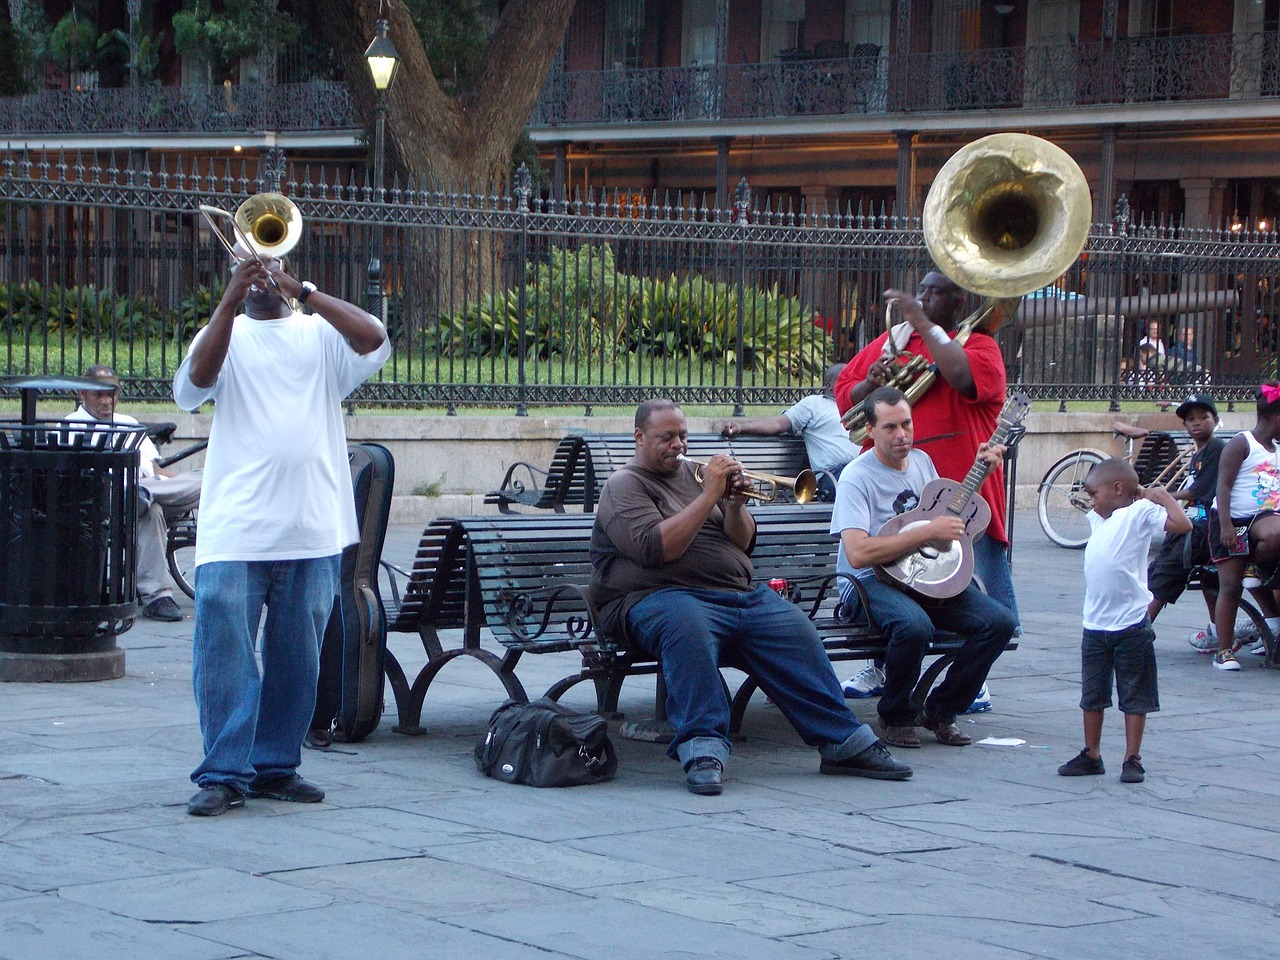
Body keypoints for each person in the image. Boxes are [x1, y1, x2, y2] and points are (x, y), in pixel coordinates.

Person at [588, 397, 912, 796]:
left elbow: (741, 545)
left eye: (683, 436)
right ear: (639, 437)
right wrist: (709, 496)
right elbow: (655, 550)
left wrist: (735, 505)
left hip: (733, 592)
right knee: (685, 625)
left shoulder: (694, 475)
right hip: (653, 597)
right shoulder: (625, 485)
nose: (679, 445)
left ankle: (843, 741)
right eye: (666, 437)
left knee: (794, 628)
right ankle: (702, 747)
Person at [174, 249, 389, 816]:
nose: (263, 273)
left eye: (274, 262)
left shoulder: (319, 334)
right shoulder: (224, 332)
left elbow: (373, 338)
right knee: (225, 653)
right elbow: (195, 384)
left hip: (311, 525)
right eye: (252, 265)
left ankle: (275, 765)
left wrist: (304, 290)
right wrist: (229, 299)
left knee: (299, 656)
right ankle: (223, 772)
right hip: (237, 528)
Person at [834, 270, 1017, 707]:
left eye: (935, 293)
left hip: (958, 489)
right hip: (885, 490)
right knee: (902, 591)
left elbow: (964, 379)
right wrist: (870, 384)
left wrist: (922, 322)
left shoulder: (979, 344)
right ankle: (882, 669)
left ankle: (972, 681)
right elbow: (845, 396)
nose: (922, 298)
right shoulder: (892, 343)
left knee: (971, 588)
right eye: (919, 291)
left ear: (957, 302)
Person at [830, 386, 1016, 749]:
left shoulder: (923, 462)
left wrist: (979, 472)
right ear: (869, 431)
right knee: (914, 626)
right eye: (889, 428)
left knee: (1000, 622)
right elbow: (857, 554)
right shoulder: (856, 476)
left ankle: (941, 709)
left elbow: (938, 524)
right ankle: (895, 715)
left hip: (922, 577)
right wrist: (929, 532)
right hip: (867, 581)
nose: (901, 435)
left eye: (906, 424)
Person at [1058, 457, 1190, 783]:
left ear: (1117, 489)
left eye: (1095, 493)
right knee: (1092, 694)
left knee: (1134, 694)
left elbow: (1182, 524)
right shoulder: (1099, 519)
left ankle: (1132, 757)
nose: (1091, 500)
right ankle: (1091, 753)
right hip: (1095, 624)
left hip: (1131, 623)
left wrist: (1159, 496)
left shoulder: (1139, 513)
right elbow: (1096, 504)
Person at [64, 365, 202, 622]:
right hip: (107, 499)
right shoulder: (72, 426)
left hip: (148, 490)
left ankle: (145, 493)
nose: (107, 401)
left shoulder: (129, 424)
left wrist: (186, 482)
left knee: (205, 479)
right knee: (150, 511)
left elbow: (154, 468)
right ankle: (158, 597)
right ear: (83, 394)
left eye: (112, 395)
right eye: (100, 395)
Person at [1207, 383, 1280, 671]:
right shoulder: (1242, 443)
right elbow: (1222, 485)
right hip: (1232, 521)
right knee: (1231, 587)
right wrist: (1225, 524)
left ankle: (1254, 565)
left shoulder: (1277, 449)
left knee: (1275, 534)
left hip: (1263, 519)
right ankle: (1223, 650)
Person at [720, 363, 855, 501]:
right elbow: (778, 423)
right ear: (828, 385)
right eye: (845, 379)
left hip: (859, 468)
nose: (852, 383)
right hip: (834, 476)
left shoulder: (857, 406)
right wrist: (741, 427)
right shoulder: (814, 404)